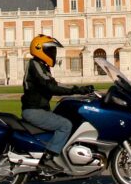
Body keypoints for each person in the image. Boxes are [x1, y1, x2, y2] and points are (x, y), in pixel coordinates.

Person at [21, 35, 94, 172]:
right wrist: (78, 90)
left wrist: (77, 91)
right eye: (50, 50)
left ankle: (60, 154)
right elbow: (51, 86)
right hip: (34, 111)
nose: (53, 53)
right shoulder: (35, 65)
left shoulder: (41, 66)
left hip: (38, 109)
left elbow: (54, 84)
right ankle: (47, 159)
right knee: (65, 125)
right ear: (40, 50)